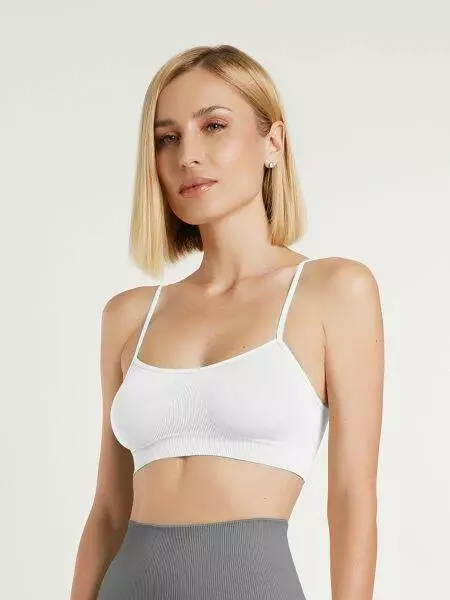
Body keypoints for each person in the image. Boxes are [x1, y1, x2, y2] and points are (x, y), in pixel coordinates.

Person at [70, 44, 384, 600]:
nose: (188, 155)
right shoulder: (129, 315)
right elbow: (109, 511)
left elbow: (352, 499)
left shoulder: (333, 291)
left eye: (213, 126)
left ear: (273, 143)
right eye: (167, 138)